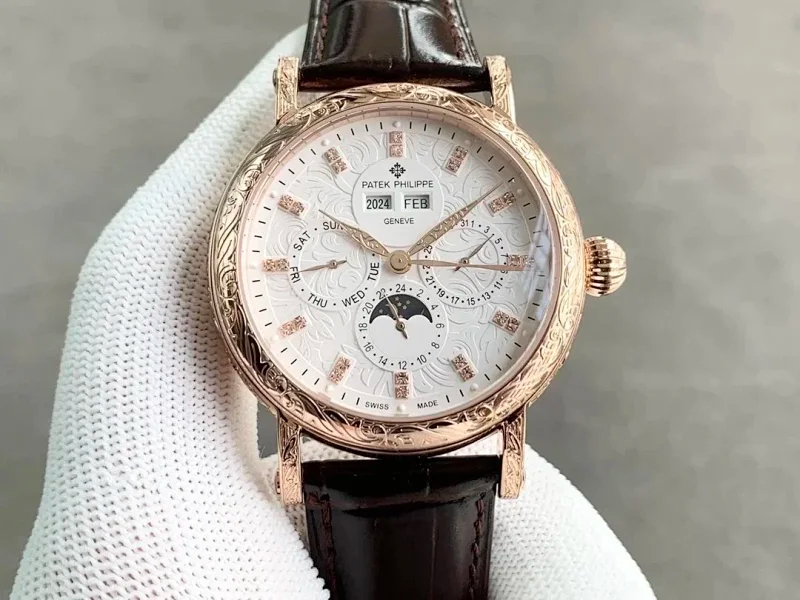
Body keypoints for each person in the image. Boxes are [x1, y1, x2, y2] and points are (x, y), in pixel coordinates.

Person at [11, 28, 655, 600]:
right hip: (340, 427)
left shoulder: (455, 114)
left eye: (409, 255)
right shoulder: (332, 120)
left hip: (443, 431)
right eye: (389, 255)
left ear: (586, 268)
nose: (399, 261)